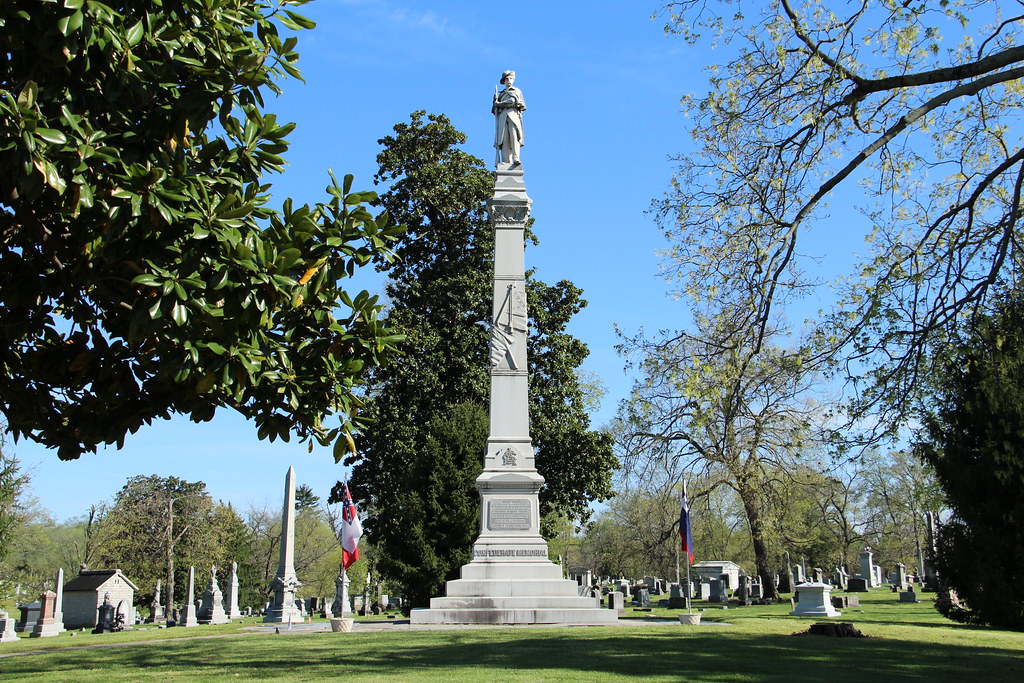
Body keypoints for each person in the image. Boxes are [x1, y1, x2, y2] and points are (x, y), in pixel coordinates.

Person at [492, 70, 526, 166]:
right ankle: (506, 160)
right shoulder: (501, 94)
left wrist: (499, 104)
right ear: (504, 81)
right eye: (507, 79)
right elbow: (494, 110)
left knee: (514, 137)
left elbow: (513, 101)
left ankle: (516, 158)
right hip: (503, 116)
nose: (509, 80)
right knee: (504, 139)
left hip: (513, 115)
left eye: (510, 78)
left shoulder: (516, 91)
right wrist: (495, 102)